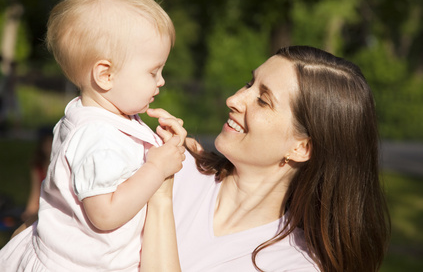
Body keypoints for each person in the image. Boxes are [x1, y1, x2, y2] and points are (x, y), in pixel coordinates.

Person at [141, 46, 391, 272]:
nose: (234, 100)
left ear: (302, 148)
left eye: (263, 100)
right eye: (249, 84)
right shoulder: (171, 164)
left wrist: (161, 197)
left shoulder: (294, 264)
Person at [0, 0, 186, 271]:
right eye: (153, 71)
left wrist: (157, 145)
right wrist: (156, 167)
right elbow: (105, 214)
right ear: (105, 75)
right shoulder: (97, 136)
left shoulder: (99, 114)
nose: (161, 81)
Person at [21, 127, 53, 222]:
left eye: (51, 143)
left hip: (53, 208)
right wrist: (29, 211)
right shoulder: (38, 167)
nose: (48, 147)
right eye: (46, 143)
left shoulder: (62, 166)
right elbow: (35, 191)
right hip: (40, 207)